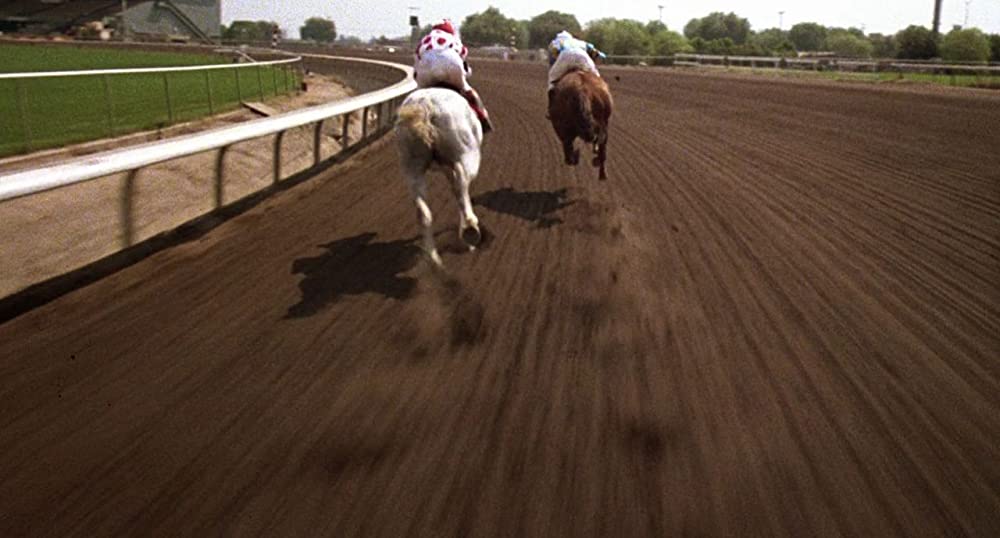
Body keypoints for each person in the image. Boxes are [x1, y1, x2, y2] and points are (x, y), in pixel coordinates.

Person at [413, 19, 494, 133]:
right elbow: (463, 56)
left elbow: (417, 62)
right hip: (452, 65)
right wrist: (466, 73)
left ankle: (404, 118)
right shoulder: (453, 39)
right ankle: (483, 118)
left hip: (426, 68)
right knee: (468, 91)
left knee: (417, 96)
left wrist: (418, 80)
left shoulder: (425, 40)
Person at [546, 30, 606, 100]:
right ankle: (602, 93)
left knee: (552, 77)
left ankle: (551, 98)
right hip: (583, 56)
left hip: (565, 56)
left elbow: (553, 56)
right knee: (597, 77)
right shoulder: (581, 42)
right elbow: (597, 53)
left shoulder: (556, 43)